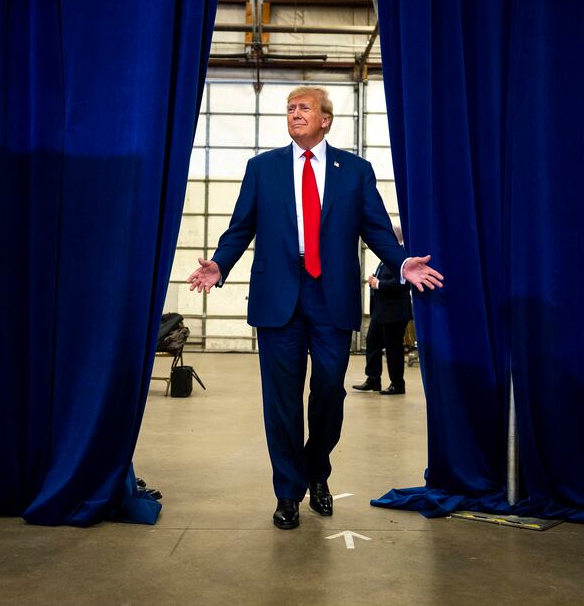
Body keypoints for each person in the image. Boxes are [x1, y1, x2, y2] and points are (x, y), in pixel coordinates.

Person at [186, 86, 443, 530]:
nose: (295, 113)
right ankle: (288, 492)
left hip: (331, 298)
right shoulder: (262, 168)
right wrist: (219, 265)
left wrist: (402, 262)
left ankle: (315, 469)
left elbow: (377, 230)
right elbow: (240, 227)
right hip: (278, 297)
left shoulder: (356, 171)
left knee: (329, 391)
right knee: (281, 401)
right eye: (290, 109)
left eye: (304, 107)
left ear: (325, 119)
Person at [353, 225, 413, 395]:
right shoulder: (389, 255)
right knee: (372, 342)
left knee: (393, 349)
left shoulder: (403, 255)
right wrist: (375, 279)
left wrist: (378, 284)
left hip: (394, 312)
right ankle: (373, 379)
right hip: (381, 311)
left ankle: (397, 384)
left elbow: (402, 283)